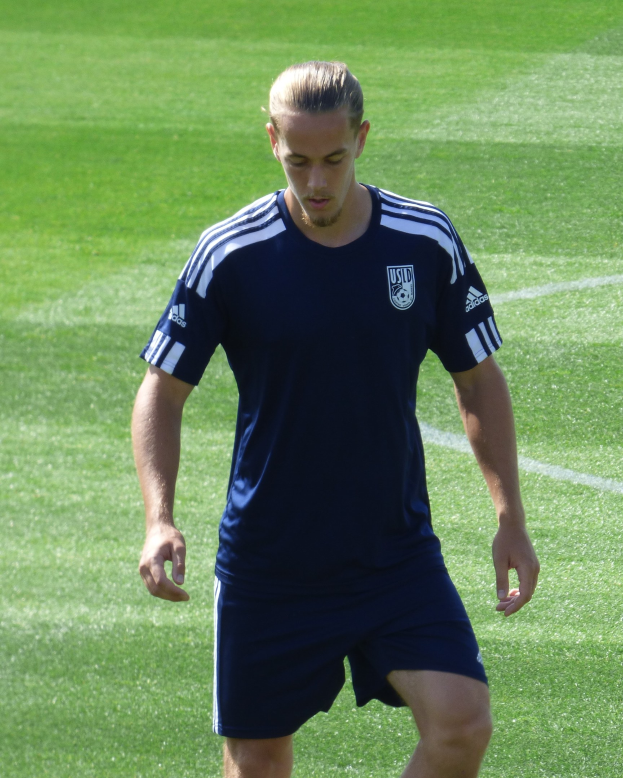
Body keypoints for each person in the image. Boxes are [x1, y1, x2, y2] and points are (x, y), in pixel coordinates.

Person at [132, 61, 540, 778]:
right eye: (297, 162)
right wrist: (158, 517)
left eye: (332, 160)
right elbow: (161, 392)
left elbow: (476, 379)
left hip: (393, 555)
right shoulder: (230, 252)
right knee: (257, 763)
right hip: (270, 564)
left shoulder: (423, 241)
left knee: (462, 725)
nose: (315, 183)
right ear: (271, 142)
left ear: (362, 139)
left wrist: (509, 516)